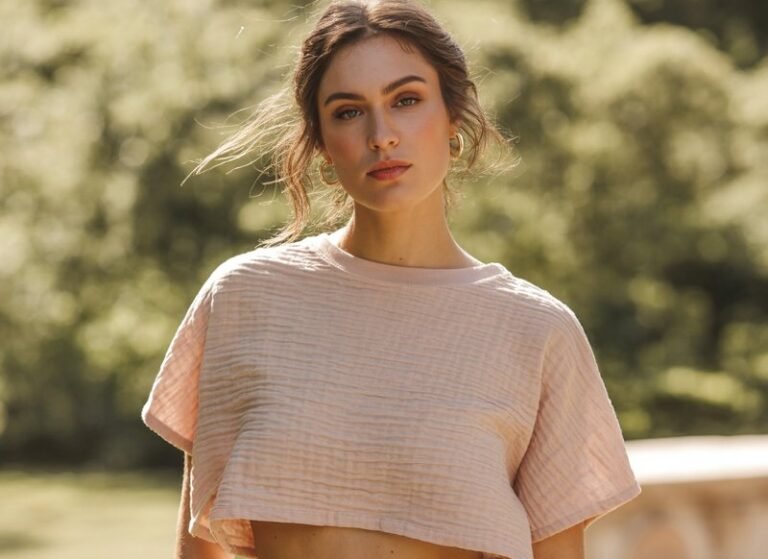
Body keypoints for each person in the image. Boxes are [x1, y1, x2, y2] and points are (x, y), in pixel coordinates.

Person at [141, 1, 642, 558]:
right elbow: (198, 543)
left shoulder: (538, 330)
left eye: (406, 101)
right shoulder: (243, 297)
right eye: (348, 111)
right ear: (321, 142)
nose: (382, 135)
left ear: (453, 118)